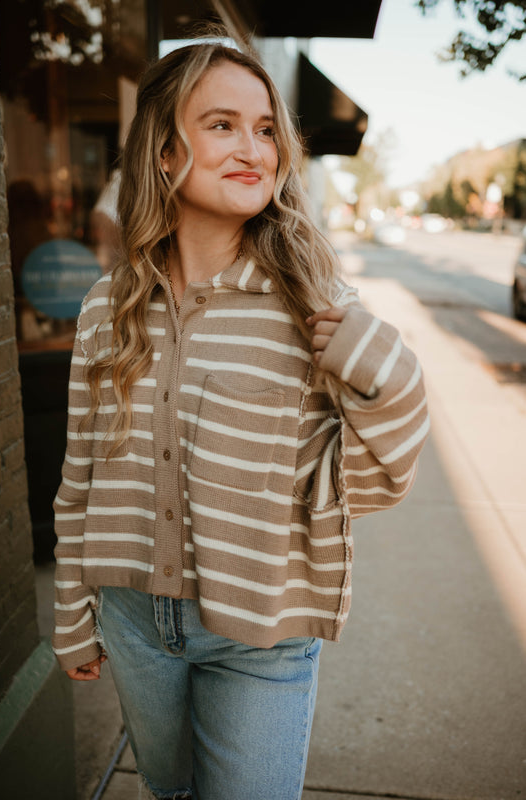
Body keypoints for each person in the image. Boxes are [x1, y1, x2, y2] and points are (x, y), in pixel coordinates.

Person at [52, 40, 430, 800]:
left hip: (260, 632)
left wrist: (390, 378)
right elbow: (79, 478)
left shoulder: (313, 306)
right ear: (164, 153)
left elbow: (367, 482)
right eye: (221, 125)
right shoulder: (106, 306)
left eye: (265, 130)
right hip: (129, 619)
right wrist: (72, 614)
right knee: (171, 791)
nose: (252, 148)